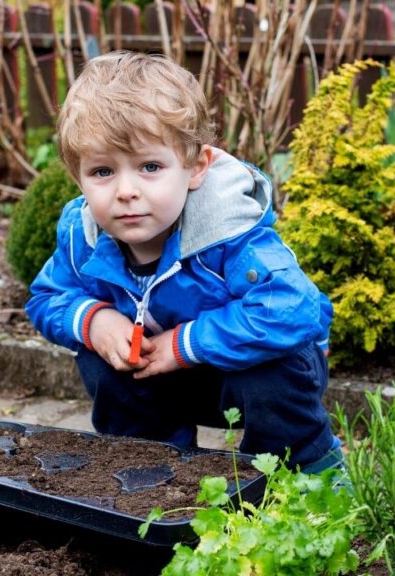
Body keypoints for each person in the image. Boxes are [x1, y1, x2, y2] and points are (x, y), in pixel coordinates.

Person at [25, 51, 343, 474]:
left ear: (195, 167)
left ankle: (300, 471)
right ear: (76, 175)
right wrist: (95, 321)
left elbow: (292, 309)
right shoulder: (83, 235)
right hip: (162, 370)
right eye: (102, 171)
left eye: (150, 167)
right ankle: (151, 468)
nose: (125, 191)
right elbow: (48, 296)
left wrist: (184, 345)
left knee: (273, 371)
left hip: (251, 373)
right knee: (102, 359)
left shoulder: (229, 230)